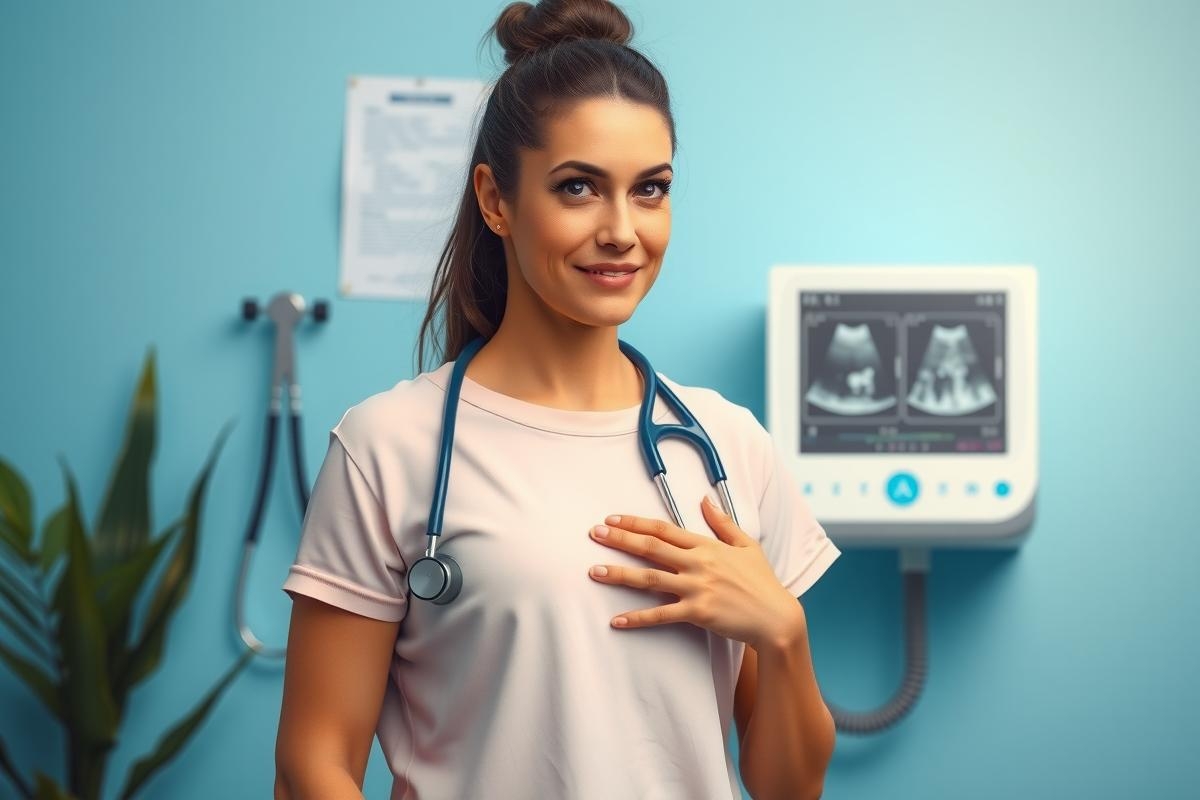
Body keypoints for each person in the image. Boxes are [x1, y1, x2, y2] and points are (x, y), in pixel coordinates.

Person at [273, 1, 840, 798]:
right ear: (496, 200)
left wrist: (783, 635)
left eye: (651, 189)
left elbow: (790, 788)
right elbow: (313, 766)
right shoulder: (387, 447)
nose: (622, 231)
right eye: (578, 187)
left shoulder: (728, 445)